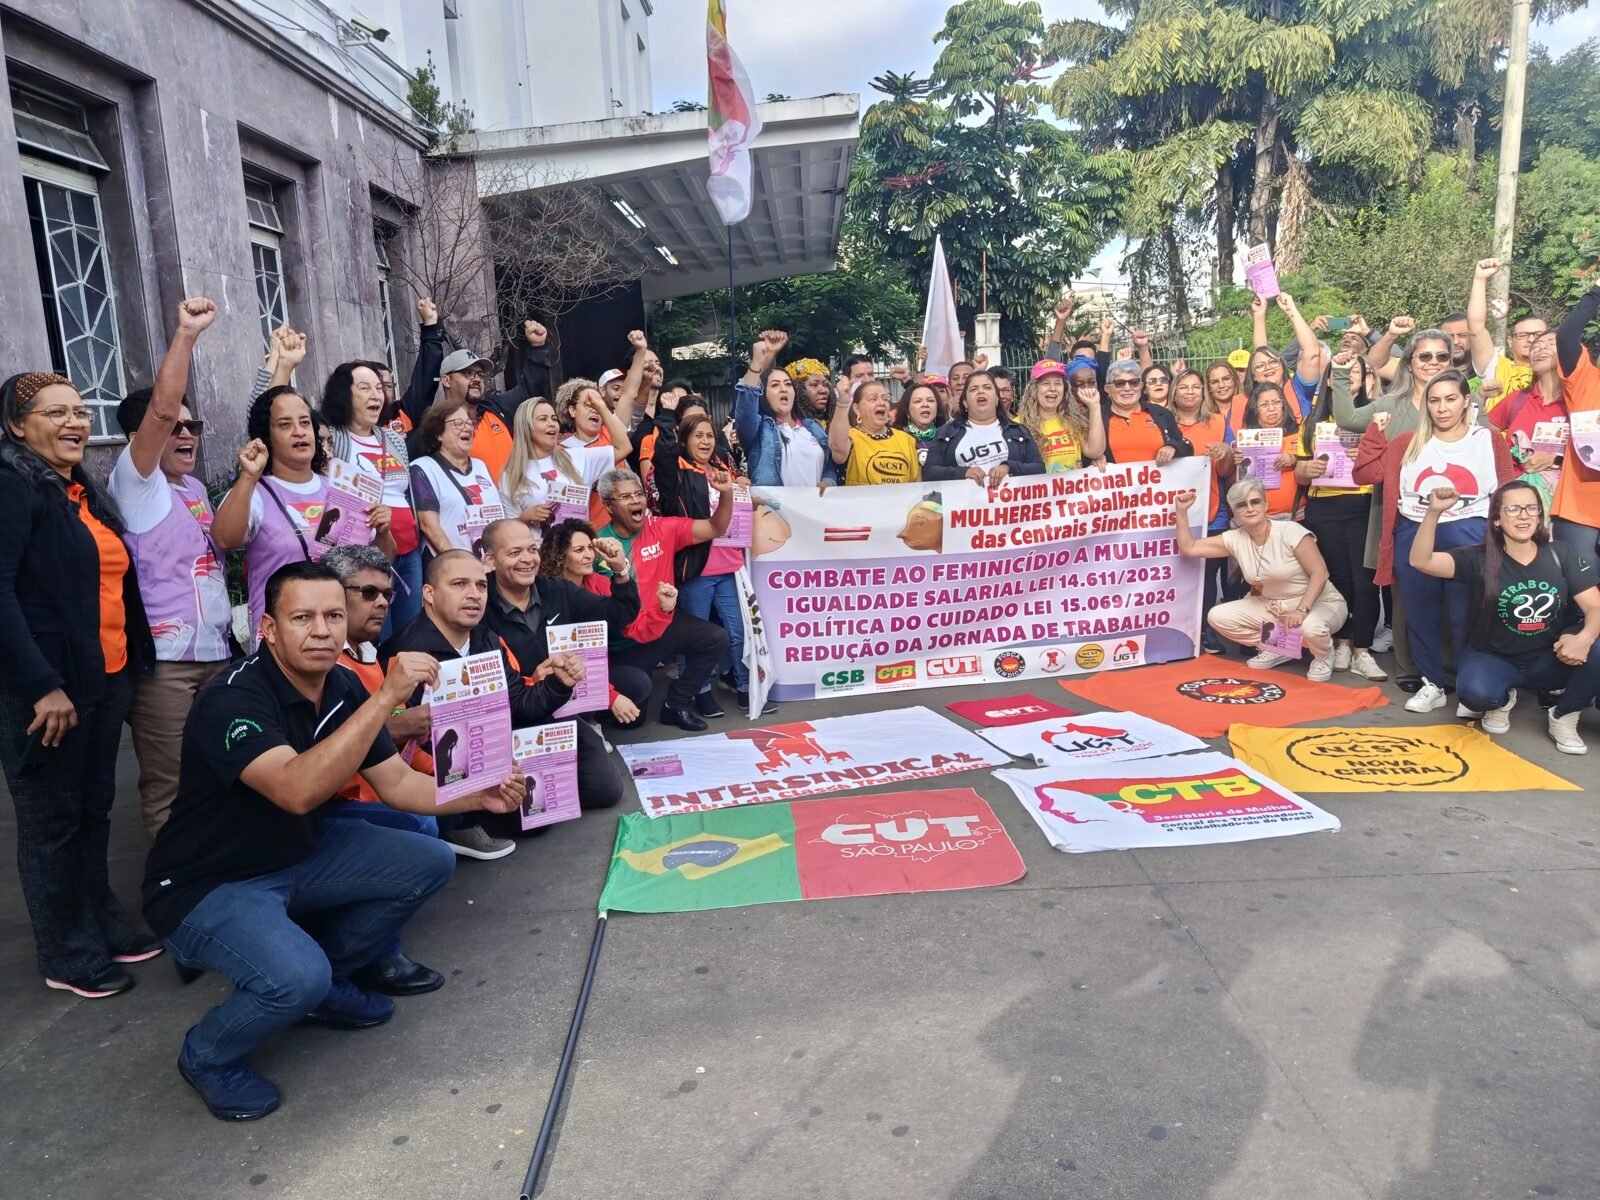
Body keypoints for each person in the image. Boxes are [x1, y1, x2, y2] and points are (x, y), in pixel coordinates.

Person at [142, 562, 525, 1120]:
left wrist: (479, 794)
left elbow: (397, 782)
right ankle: (207, 1055)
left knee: (431, 858)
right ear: (269, 628)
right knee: (296, 977)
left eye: (332, 616)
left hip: (298, 849)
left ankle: (325, 987)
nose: (321, 630)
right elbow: (295, 790)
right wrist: (383, 700)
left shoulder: (340, 684)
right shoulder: (230, 697)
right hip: (208, 882)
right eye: (302, 617)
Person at [0, 371, 161, 998]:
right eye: (55, 413)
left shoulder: (77, 490)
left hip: (105, 681)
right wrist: (42, 685)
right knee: (51, 824)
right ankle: (66, 952)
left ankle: (100, 921)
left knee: (92, 813)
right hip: (48, 693)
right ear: (17, 425)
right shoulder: (13, 488)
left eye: (80, 411)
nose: (75, 422)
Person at [109, 300, 236, 841]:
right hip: (166, 666)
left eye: (194, 425)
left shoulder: (194, 488)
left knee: (222, 775)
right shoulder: (136, 484)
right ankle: (175, 901)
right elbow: (159, 413)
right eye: (174, 427)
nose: (186, 434)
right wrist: (185, 336)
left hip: (218, 654)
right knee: (171, 785)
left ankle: (221, 877)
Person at [385, 550, 598, 848]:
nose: (474, 595)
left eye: (481, 586)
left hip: (496, 751)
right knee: (533, 821)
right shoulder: (403, 654)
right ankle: (456, 826)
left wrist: (560, 683)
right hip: (439, 775)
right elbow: (398, 751)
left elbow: (519, 704)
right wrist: (478, 780)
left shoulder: (488, 639)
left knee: (600, 787)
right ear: (429, 594)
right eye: (459, 584)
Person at [319, 545, 446, 996]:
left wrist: (459, 775)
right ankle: (377, 953)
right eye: (368, 592)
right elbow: (334, 744)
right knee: (421, 824)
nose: (381, 603)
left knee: (444, 809)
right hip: (338, 800)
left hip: (379, 785)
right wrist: (397, 727)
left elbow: (397, 750)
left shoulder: (367, 653)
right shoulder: (323, 660)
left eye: (388, 595)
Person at [1353, 369, 1518, 713]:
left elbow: (1508, 492)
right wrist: (1374, 432)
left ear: (1465, 401)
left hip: (1470, 536)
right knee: (1419, 612)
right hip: (1414, 533)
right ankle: (1433, 683)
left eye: (1450, 399)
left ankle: (1468, 686)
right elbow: (1365, 474)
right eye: (1434, 400)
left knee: (1465, 614)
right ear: (1425, 404)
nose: (1442, 408)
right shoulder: (1407, 442)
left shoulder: (1488, 440)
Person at [1408, 481, 1600, 752]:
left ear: (1539, 515)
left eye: (1530, 507)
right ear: (1496, 519)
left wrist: (1583, 638)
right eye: (1513, 509)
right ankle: (1500, 700)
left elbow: (1595, 607)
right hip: (1495, 657)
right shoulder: (1479, 558)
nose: (1523, 515)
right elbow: (1421, 561)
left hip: (1549, 658)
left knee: (1597, 644)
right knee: (1475, 695)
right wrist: (1433, 513)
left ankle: (1564, 714)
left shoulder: (1560, 554)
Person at [213, 387, 395, 642]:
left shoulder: (343, 488)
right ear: (265, 437)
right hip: (283, 642)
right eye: (285, 425)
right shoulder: (254, 492)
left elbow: (379, 564)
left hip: (340, 639)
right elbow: (224, 539)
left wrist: (384, 530)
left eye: (305, 423)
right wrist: (249, 476)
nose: (299, 432)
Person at [475, 518, 640, 790]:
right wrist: (532, 681)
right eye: (515, 553)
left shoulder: (556, 589)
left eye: (532, 549)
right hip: (509, 719)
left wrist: (620, 571)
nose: (527, 559)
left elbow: (618, 616)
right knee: (533, 813)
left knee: (606, 789)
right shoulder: (479, 602)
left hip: (557, 707)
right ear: (490, 560)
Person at [653, 398, 771, 715]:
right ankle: (699, 693)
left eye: (709, 435)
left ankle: (747, 688)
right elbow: (662, 455)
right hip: (696, 570)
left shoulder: (723, 471)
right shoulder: (675, 473)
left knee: (738, 632)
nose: (705, 441)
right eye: (697, 436)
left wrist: (743, 491)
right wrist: (665, 414)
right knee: (698, 636)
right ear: (684, 439)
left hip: (730, 567)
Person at [590, 467, 733, 731]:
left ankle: (675, 705)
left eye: (638, 494)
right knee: (632, 723)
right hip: (626, 641)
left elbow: (715, 527)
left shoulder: (662, 527)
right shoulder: (598, 545)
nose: (636, 501)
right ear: (608, 506)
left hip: (664, 622)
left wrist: (726, 494)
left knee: (716, 638)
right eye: (626, 497)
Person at [1174, 479, 1348, 680]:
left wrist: (1301, 610)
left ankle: (1323, 655)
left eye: (1255, 502)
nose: (1249, 508)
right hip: (1272, 606)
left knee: (1312, 628)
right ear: (1234, 512)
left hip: (1318, 602)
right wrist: (1181, 512)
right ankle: (1279, 646)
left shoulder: (1290, 531)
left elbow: (1320, 573)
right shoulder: (1234, 538)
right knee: (1217, 616)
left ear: (1265, 505)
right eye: (1241, 505)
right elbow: (1190, 548)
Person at [1292, 357, 1387, 681]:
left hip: (1364, 506)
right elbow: (1300, 472)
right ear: (1330, 380)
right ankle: (1342, 643)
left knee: (1365, 582)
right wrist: (1308, 469)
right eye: (1342, 373)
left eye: (1357, 371)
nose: (1350, 378)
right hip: (1325, 508)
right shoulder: (1314, 421)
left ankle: (1363, 649)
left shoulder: (1375, 415)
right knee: (1338, 581)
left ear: (1364, 378)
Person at [322, 361, 421, 632]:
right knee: (376, 633)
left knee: (411, 632)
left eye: (379, 388)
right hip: (364, 557)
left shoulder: (394, 439)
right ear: (345, 394)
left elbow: (407, 493)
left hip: (408, 552)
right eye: (365, 388)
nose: (376, 395)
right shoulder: (334, 437)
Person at [428, 319, 551, 483]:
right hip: (473, 506)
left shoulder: (496, 408)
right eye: (467, 373)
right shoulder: (436, 426)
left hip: (516, 506)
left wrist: (538, 348)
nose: (476, 379)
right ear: (446, 381)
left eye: (479, 374)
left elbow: (530, 389)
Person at [1169, 367, 1233, 653]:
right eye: (1184, 387)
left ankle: (1206, 630)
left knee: (1207, 576)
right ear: (1174, 392)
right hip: (1175, 514)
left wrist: (1225, 454)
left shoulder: (1218, 422)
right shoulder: (1164, 422)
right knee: (1179, 574)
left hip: (1212, 510)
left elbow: (1227, 469)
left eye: (1196, 387)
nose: (1191, 392)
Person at [501, 396, 624, 529]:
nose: (552, 424)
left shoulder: (577, 456)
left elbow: (623, 447)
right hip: (539, 549)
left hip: (579, 546)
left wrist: (601, 407)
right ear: (526, 427)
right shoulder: (511, 475)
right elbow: (507, 531)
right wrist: (525, 518)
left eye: (554, 419)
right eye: (543, 419)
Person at [735, 331, 833, 487]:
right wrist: (757, 362)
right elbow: (746, 404)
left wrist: (829, 481)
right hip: (775, 510)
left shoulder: (812, 427)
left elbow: (830, 465)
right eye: (775, 385)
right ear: (763, 394)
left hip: (814, 510)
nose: (783, 389)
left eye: (788, 384)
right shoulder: (758, 430)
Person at [409, 401, 505, 559]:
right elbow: (429, 526)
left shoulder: (481, 466)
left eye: (469, 423)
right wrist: (459, 562)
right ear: (438, 434)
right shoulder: (423, 469)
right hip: (452, 568)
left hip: (492, 564)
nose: (467, 427)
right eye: (458, 423)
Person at [1548, 283, 1600, 566]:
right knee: (1581, 599)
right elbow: (1566, 336)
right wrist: (1597, 292)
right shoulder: (1585, 380)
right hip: (1579, 511)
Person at [1486, 326, 1566, 504]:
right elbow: (1481, 437)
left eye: (1550, 343)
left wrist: (1556, 460)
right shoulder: (1518, 399)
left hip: (1568, 505)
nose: (1540, 348)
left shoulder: (1580, 403)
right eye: (1536, 346)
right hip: (1517, 501)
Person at [923, 369, 1044, 484]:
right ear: (965, 402)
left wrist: (1009, 467)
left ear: (997, 399)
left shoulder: (1019, 431)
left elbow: (1039, 468)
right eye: (973, 389)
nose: (981, 392)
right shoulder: (946, 433)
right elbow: (930, 473)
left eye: (987, 387)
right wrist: (963, 472)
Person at [1468, 259, 1543, 403]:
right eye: (1523, 335)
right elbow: (1475, 328)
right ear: (1510, 340)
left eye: (1539, 335)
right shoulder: (1496, 367)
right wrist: (1480, 279)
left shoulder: (1558, 373)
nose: (1531, 340)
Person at [1244, 292, 1324, 426]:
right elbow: (1261, 353)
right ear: (1253, 376)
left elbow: (1311, 352)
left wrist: (1290, 309)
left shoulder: (1299, 389)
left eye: (1273, 362)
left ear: (1282, 366)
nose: (1268, 367)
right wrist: (1259, 315)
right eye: (1260, 366)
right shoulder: (1251, 398)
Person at [1016, 358, 1105, 474]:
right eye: (1046, 383)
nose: (1052, 389)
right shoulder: (1017, 426)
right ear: (1034, 389)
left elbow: (1095, 452)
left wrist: (1094, 406)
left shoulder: (1074, 421)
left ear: (1064, 389)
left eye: (1058, 383)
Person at [1098, 358, 1192, 465]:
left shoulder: (1161, 414)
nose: (1127, 388)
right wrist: (1094, 460)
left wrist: (1172, 446)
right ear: (1107, 389)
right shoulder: (1097, 417)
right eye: (1120, 383)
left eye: (1134, 382)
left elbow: (1186, 447)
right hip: (1114, 481)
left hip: (1158, 481)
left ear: (1141, 386)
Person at [830, 377, 923, 485]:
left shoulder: (906, 439)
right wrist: (842, 403)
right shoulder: (851, 438)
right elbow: (837, 450)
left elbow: (917, 485)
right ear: (857, 409)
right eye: (873, 399)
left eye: (885, 398)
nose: (881, 403)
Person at [1234, 384, 1301, 518]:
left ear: (1284, 405)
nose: (1271, 409)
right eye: (1264, 405)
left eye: (1276, 402)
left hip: (1296, 516)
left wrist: (1295, 459)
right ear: (1255, 410)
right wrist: (1236, 464)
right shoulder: (1245, 440)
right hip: (1256, 518)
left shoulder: (1300, 433)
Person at [894, 379, 948, 466]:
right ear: (907, 411)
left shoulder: (947, 436)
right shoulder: (896, 438)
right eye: (918, 401)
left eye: (930, 400)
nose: (925, 404)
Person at [785, 358, 833, 423]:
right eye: (814, 385)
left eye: (825, 385)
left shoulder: (837, 424)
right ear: (798, 390)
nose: (823, 391)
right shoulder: (792, 428)